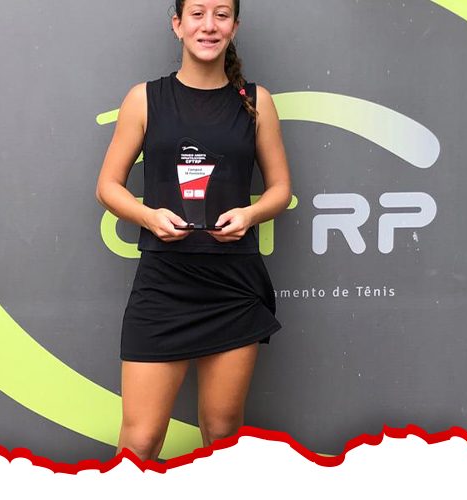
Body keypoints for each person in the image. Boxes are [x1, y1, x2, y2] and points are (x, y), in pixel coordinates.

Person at [95, 0, 291, 462]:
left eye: (221, 14)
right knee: (141, 440)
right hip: (164, 284)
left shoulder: (256, 101)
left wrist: (249, 215)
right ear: (177, 24)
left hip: (233, 285)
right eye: (197, 13)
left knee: (222, 433)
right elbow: (108, 186)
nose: (209, 25)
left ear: (234, 26)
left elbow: (281, 189)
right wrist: (149, 216)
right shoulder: (144, 98)